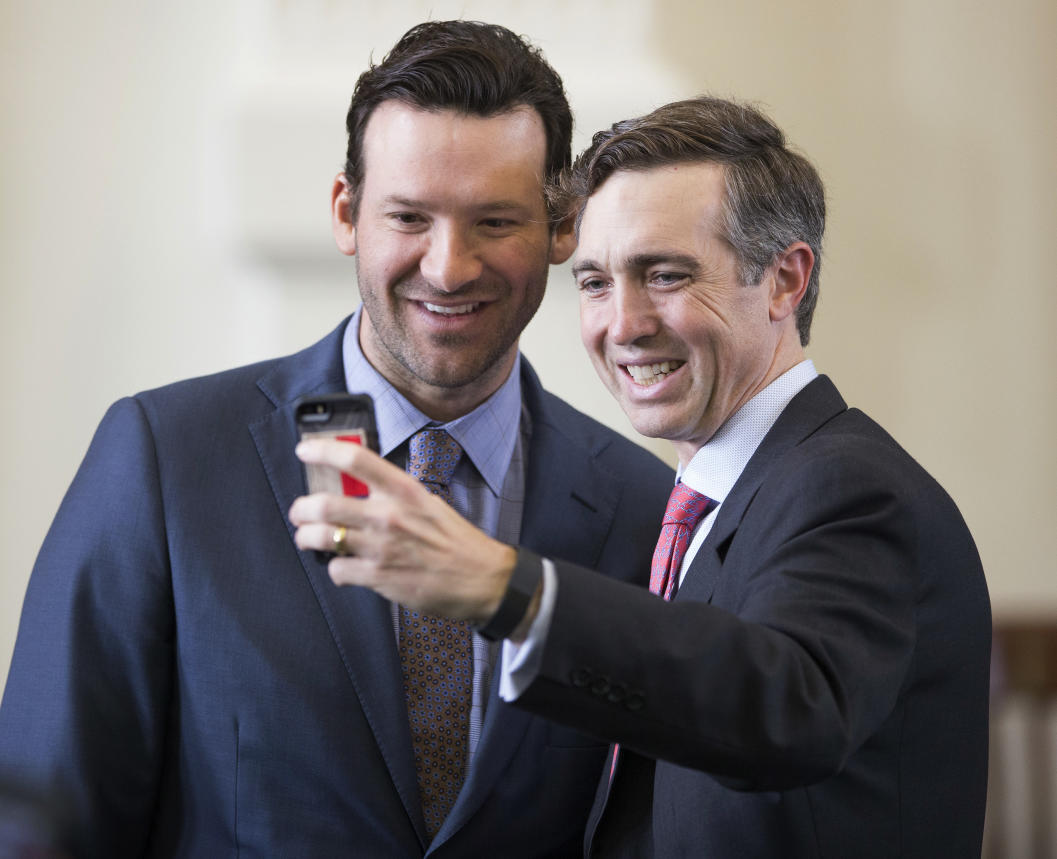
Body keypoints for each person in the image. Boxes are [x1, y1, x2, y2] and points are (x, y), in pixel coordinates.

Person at [0, 20, 674, 858]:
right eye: (409, 217)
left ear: (561, 228)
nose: (449, 266)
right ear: (347, 213)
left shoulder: (643, 510)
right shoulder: (168, 461)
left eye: (494, 221)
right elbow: (37, 825)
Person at [290, 97, 992, 857]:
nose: (621, 324)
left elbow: (789, 707)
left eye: (664, 274)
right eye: (594, 282)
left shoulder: (845, 488)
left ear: (784, 280)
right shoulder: (701, 505)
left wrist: (508, 590)